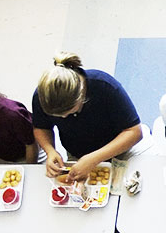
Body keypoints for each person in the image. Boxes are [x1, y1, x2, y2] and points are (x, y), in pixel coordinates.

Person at [32, 52, 143, 182]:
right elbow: (41, 127)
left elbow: (134, 131)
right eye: (57, 116)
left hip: (120, 147)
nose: (63, 118)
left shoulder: (105, 86)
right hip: (79, 155)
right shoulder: (42, 96)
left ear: (81, 96)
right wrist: (50, 151)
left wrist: (94, 158)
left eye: (68, 113)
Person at [0, 90, 40, 163]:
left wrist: (29, 168)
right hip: (2, 155)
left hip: (28, 152)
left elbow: (31, 144)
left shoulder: (12, 113)